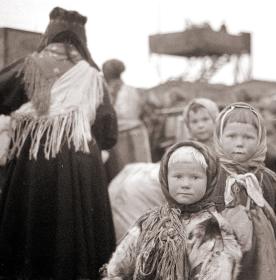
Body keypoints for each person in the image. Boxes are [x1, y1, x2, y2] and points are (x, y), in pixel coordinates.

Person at [0, 7, 117, 279]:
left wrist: (19, 118)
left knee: (31, 219)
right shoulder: (92, 74)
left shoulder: (29, 65)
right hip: (80, 158)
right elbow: (108, 129)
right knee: (76, 221)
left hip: (35, 156)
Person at [101, 141, 242, 280]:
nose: (185, 184)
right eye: (178, 177)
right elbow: (117, 269)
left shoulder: (212, 230)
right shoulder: (150, 222)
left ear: (209, 180)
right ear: (165, 178)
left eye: (195, 177)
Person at [211, 102, 276, 280]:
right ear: (219, 137)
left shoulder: (267, 179)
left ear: (260, 139)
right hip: (223, 260)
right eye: (231, 136)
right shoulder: (211, 176)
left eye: (248, 137)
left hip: (264, 258)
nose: (239, 143)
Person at [108, 98, 220, 241]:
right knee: (131, 178)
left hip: (202, 192)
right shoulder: (188, 145)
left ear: (216, 120)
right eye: (195, 122)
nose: (200, 126)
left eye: (205, 120)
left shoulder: (219, 147)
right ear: (188, 125)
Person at [102, 59, 151, 182]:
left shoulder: (105, 92)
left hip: (118, 136)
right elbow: (148, 114)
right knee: (142, 172)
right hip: (138, 133)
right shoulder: (135, 91)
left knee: (123, 174)